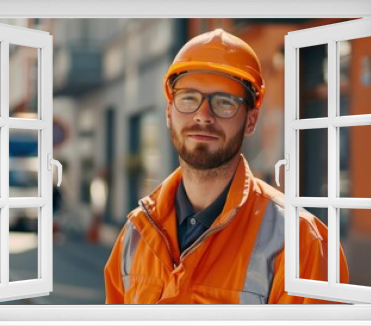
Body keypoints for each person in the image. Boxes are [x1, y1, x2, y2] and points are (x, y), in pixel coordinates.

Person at [104, 28, 349, 304]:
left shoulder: (302, 243)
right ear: (169, 112)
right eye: (188, 98)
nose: (203, 115)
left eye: (224, 102)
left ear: (251, 120)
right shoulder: (136, 233)